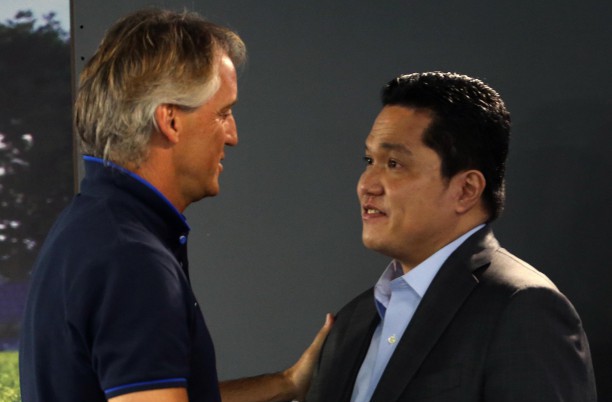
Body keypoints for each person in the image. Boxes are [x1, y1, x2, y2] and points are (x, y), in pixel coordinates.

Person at [19, 8, 331, 402]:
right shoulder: (131, 258)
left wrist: (286, 384)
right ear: (170, 121)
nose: (232, 135)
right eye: (223, 113)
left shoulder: (91, 225)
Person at [305, 72, 597, 402]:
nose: (366, 184)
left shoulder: (523, 310)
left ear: (466, 190)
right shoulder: (350, 322)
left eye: (394, 163)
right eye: (369, 160)